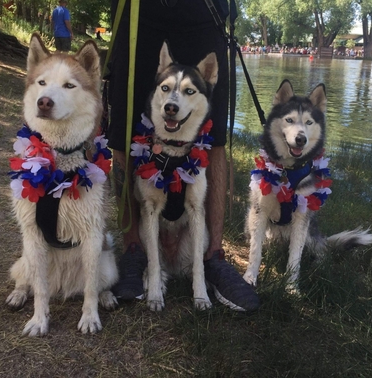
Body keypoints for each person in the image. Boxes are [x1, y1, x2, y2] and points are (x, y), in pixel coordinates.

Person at [106, 0, 260, 312]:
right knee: (123, 131)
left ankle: (213, 254)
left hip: (206, 12)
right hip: (137, 10)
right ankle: (134, 248)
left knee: (213, 136)